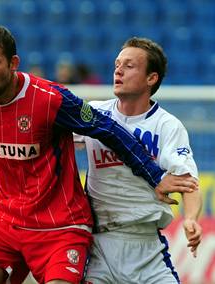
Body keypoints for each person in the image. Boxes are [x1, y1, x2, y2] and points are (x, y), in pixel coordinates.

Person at [0, 25, 196, 284]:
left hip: (62, 228)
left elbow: (108, 128)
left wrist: (156, 176)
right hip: (8, 222)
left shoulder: (51, 100)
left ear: (13, 63)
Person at [76, 37, 202, 284]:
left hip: (146, 248)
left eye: (129, 65)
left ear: (151, 78)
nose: (118, 71)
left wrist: (190, 219)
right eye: (117, 64)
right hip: (97, 246)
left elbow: (188, 182)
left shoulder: (167, 125)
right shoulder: (95, 114)